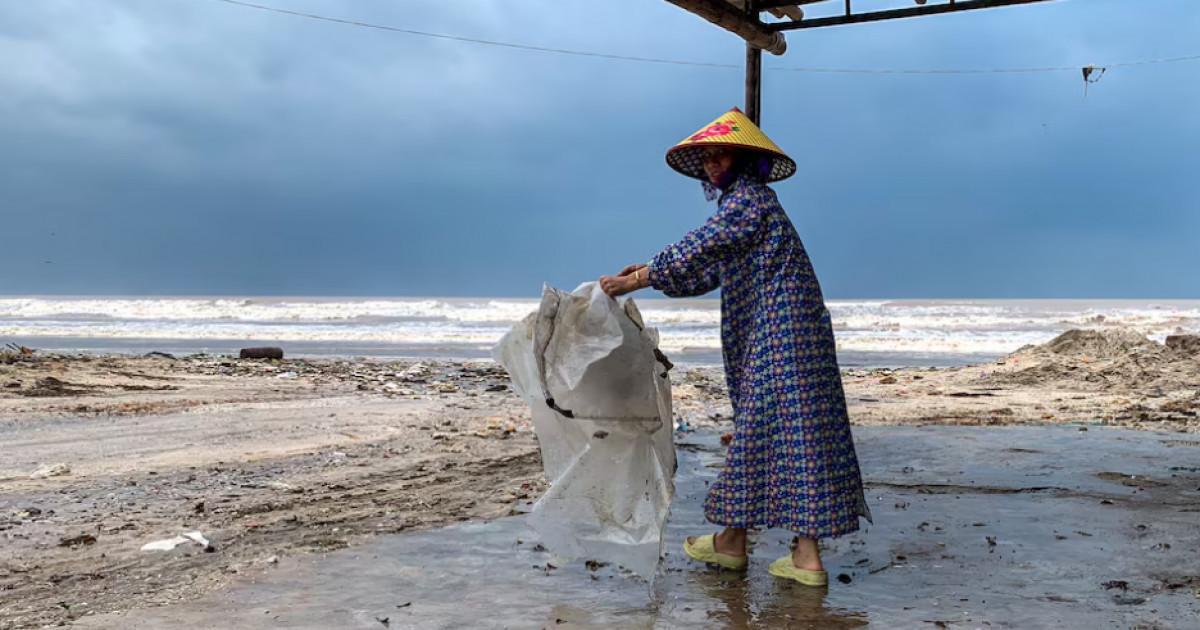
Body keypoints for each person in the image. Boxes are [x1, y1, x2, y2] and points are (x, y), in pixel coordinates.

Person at [599, 107, 872, 587]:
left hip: (781, 332)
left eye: (721, 154)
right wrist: (647, 272)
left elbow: (700, 246)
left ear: (744, 160)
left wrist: (638, 279)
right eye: (707, 157)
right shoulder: (745, 209)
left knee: (763, 431)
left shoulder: (750, 200)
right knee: (794, 435)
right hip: (787, 331)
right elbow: (705, 271)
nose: (712, 163)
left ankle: (741, 543)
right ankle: (789, 552)